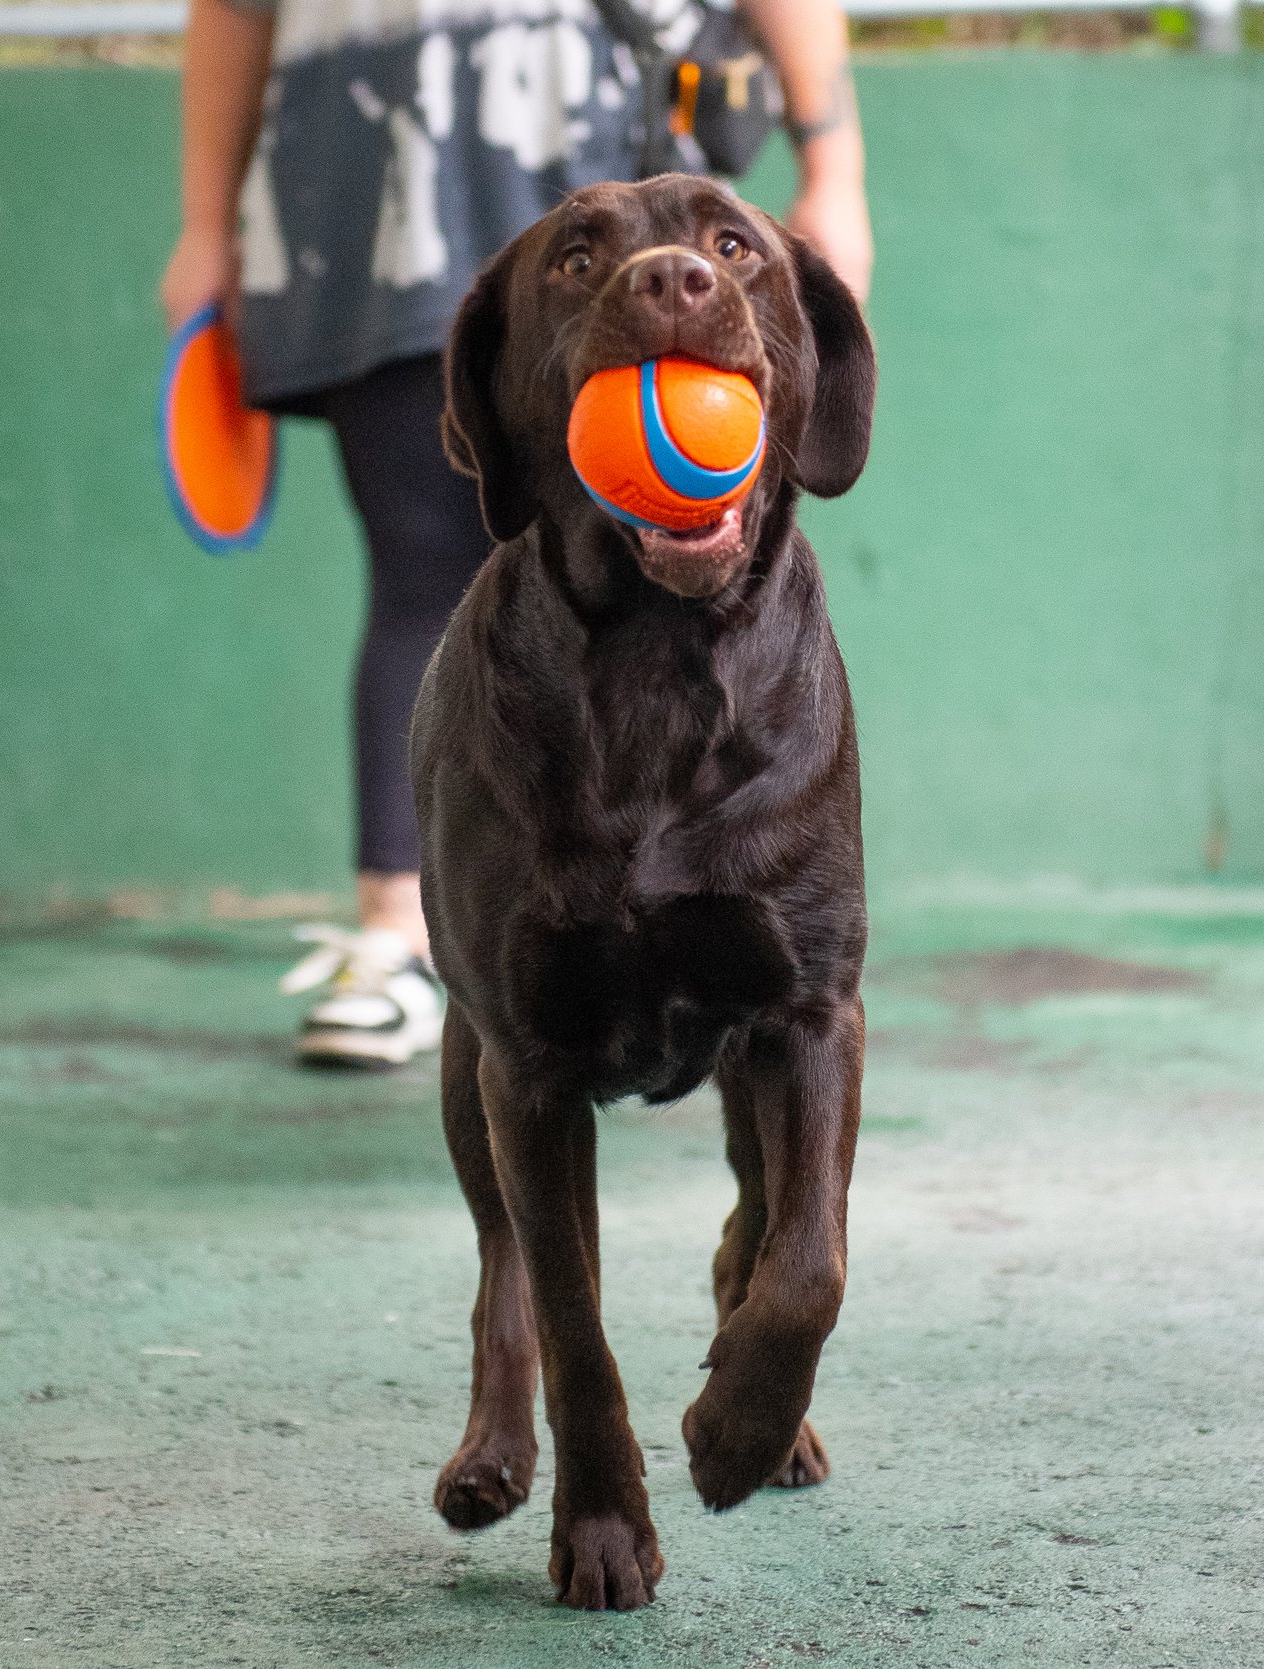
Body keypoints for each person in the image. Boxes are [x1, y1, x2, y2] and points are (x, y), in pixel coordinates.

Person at [161, 0, 873, 1068]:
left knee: (689, 578)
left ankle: (702, 922)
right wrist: (206, 226)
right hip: (371, 199)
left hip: (616, 155)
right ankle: (408, 934)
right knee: (420, 570)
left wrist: (835, 165)